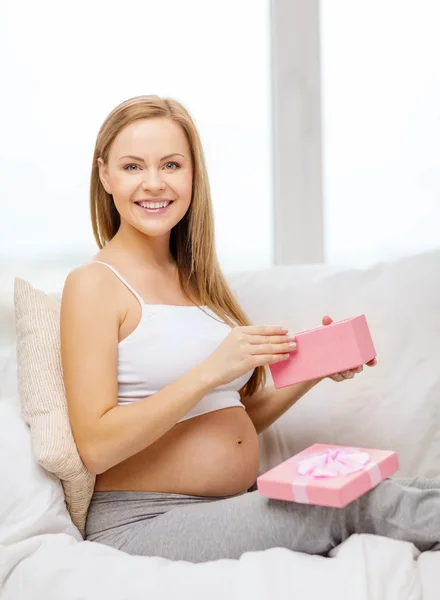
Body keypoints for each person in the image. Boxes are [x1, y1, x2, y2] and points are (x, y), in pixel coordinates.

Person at [60, 95, 440, 563]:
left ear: (193, 174)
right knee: (351, 501)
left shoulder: (197, 283)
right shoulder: (94, 284)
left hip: (223, 506)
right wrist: (211, 370)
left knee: (396, 484)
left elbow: (229, 417)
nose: (154, 183)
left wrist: (315, 367)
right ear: (105, 175)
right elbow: (95, 447)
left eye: (172, 165)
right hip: (144, 521)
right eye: (134, 166)